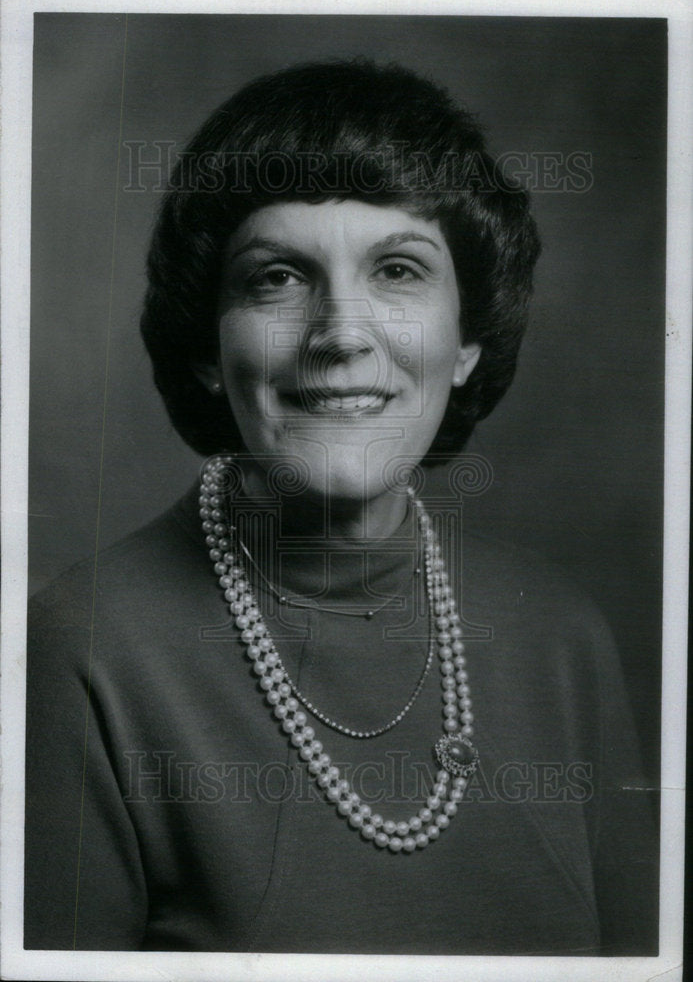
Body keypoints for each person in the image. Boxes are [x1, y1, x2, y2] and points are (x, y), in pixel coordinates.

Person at [24, 59, 658, 954]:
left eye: (398, 269)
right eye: (277, 277)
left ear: (467, 341)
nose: (341, 334)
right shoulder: (80, 651)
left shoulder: (559, 636)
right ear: (209, 346)